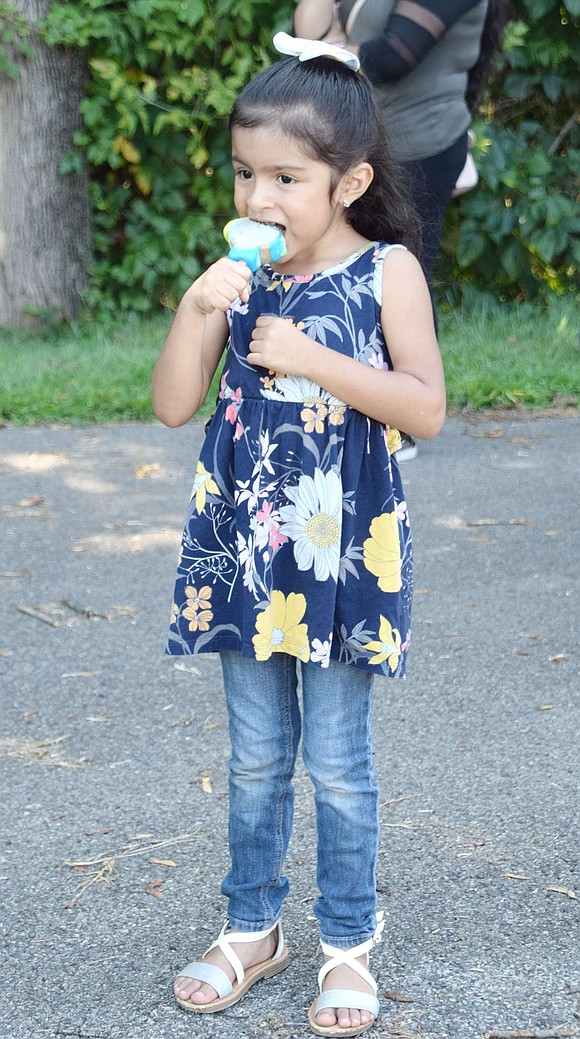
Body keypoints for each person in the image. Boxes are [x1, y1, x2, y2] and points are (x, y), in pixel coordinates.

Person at [152, 34, 445, 1037]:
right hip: (244, 549)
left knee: (335, 761)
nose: (258, 195)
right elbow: (172, 404)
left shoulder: (384, 274)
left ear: (349, 180)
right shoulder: (238, 281)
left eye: (286, 176)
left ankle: (347, 942)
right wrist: (198, 310)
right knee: (253, 755)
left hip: (339, 554)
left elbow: (424, 410)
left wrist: (315, 358)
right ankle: (250, 928)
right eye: (244, 172)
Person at [293, 0, 507, 460]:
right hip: (361, 145)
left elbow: (393, 56)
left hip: (421, 147)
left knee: (401, 274)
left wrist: (322, 55)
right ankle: (351, 402)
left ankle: (401, 423)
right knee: (352, 271)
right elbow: (308, 31)